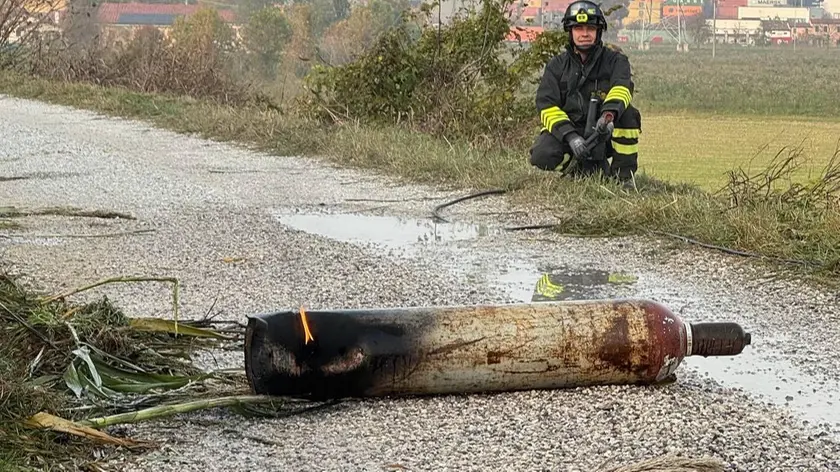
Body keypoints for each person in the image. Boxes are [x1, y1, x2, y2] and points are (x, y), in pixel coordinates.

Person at [528, 0, 642, 183]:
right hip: (570, 131)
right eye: (579, 28)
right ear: (570, 31)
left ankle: (623, 178)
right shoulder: (556, 66)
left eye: (590, 28)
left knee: (629, 114)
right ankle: (575, 169)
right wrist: (571, 137)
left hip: (605, 130)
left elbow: (622, 88)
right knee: (541, 155)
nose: (585, 34)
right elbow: (546, 105)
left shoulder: (616, 61)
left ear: (598, 31)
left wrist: (608, 117)